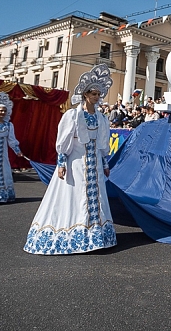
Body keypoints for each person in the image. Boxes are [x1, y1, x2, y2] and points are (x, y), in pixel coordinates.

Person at [24, 63, 117, 254]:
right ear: (85, 94)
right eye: (93, 93)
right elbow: (64, 140)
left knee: (96, 197)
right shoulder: (73, 115)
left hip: (95, 164)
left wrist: (105, 162)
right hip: (76, 162)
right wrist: (61, 162)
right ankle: (75, 234)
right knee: (74, 197)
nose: (96, 97)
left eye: (99, 94)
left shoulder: (101, 118)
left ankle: (96, 236)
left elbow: (102, 144)